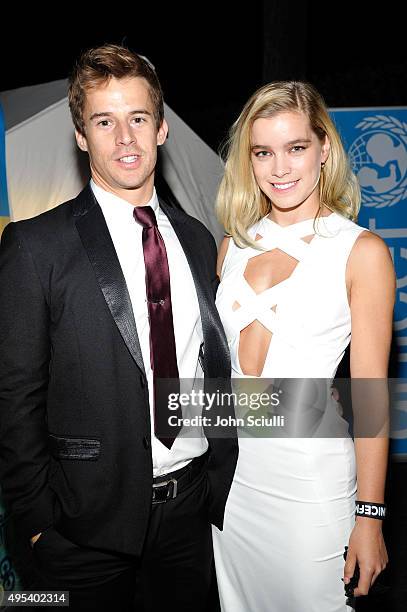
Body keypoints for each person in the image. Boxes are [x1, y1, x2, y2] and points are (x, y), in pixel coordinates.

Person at [0, 44, 237, 611]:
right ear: (81, 136)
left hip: (189, 519)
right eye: (104, 121)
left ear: (161, 129)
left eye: (138, 118)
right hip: (79, 530)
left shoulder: (200, 242)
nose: (124, 137)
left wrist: (327, 409)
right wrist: (37, 524)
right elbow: (14, 396)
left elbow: (213, 372)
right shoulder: (35, 247)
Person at [212, 81, 395, 611]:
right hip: (233, 488)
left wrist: (371, 515)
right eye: (263, 152)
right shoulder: (233, 246)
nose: (280, 168)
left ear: (324, 150)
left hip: (310, 485)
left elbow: (370, 396)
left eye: (295, 148)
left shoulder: (360, 252)